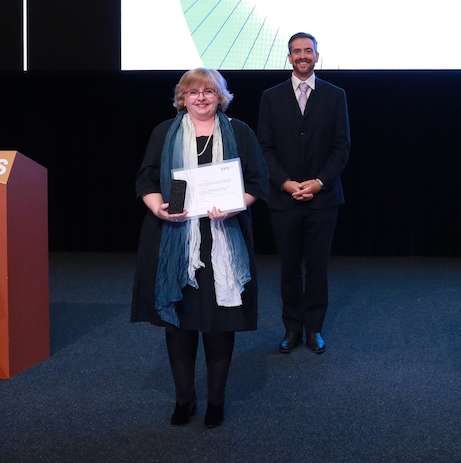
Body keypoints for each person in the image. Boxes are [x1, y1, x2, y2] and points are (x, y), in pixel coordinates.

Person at [129, 68, 268, 429]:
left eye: (209, 91)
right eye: (193, 92)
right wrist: (158, 206)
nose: (201, 97)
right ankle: (184, 400)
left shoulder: (239, 131)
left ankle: (216, 402)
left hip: (222, 237)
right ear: (182, 98)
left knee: (220, 323)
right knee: (180, 324)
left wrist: (237, 203)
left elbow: (258, 181)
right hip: (173, 238)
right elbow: (145, 177)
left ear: (220, 96)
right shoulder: (164, 131)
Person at [257, 33, 350, 355]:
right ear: (289, 57)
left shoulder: (336, 95)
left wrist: (318, 182)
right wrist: (284, 183)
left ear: (317, 56)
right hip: (283, 199)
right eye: (296, 51)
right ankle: (292, 328)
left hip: (323, 199)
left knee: (317, 267)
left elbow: (342, 148)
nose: (302, 56)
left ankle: (314, 329)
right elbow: (264, 148)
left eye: (307, 51)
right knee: (289, 268)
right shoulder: (271, 96)